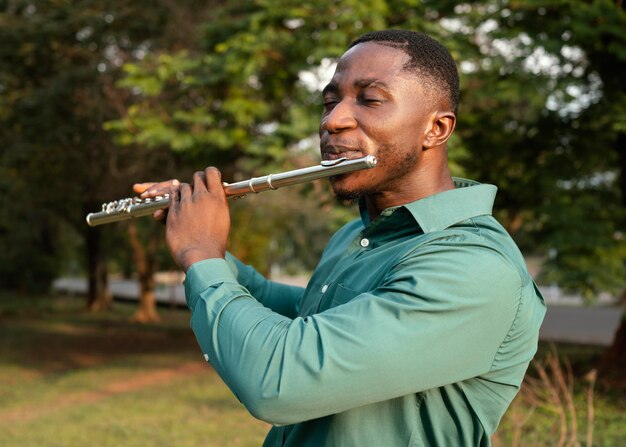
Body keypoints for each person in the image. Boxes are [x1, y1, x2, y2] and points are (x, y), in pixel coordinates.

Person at [136, 30, 546, 447]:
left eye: (370, 99)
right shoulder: (359, 233)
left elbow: (279, 381)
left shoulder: (473, 266)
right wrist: (195, 234)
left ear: (435, 129)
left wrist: (200, 254)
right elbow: (304, 317)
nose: (333, 121)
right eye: (331, 102)